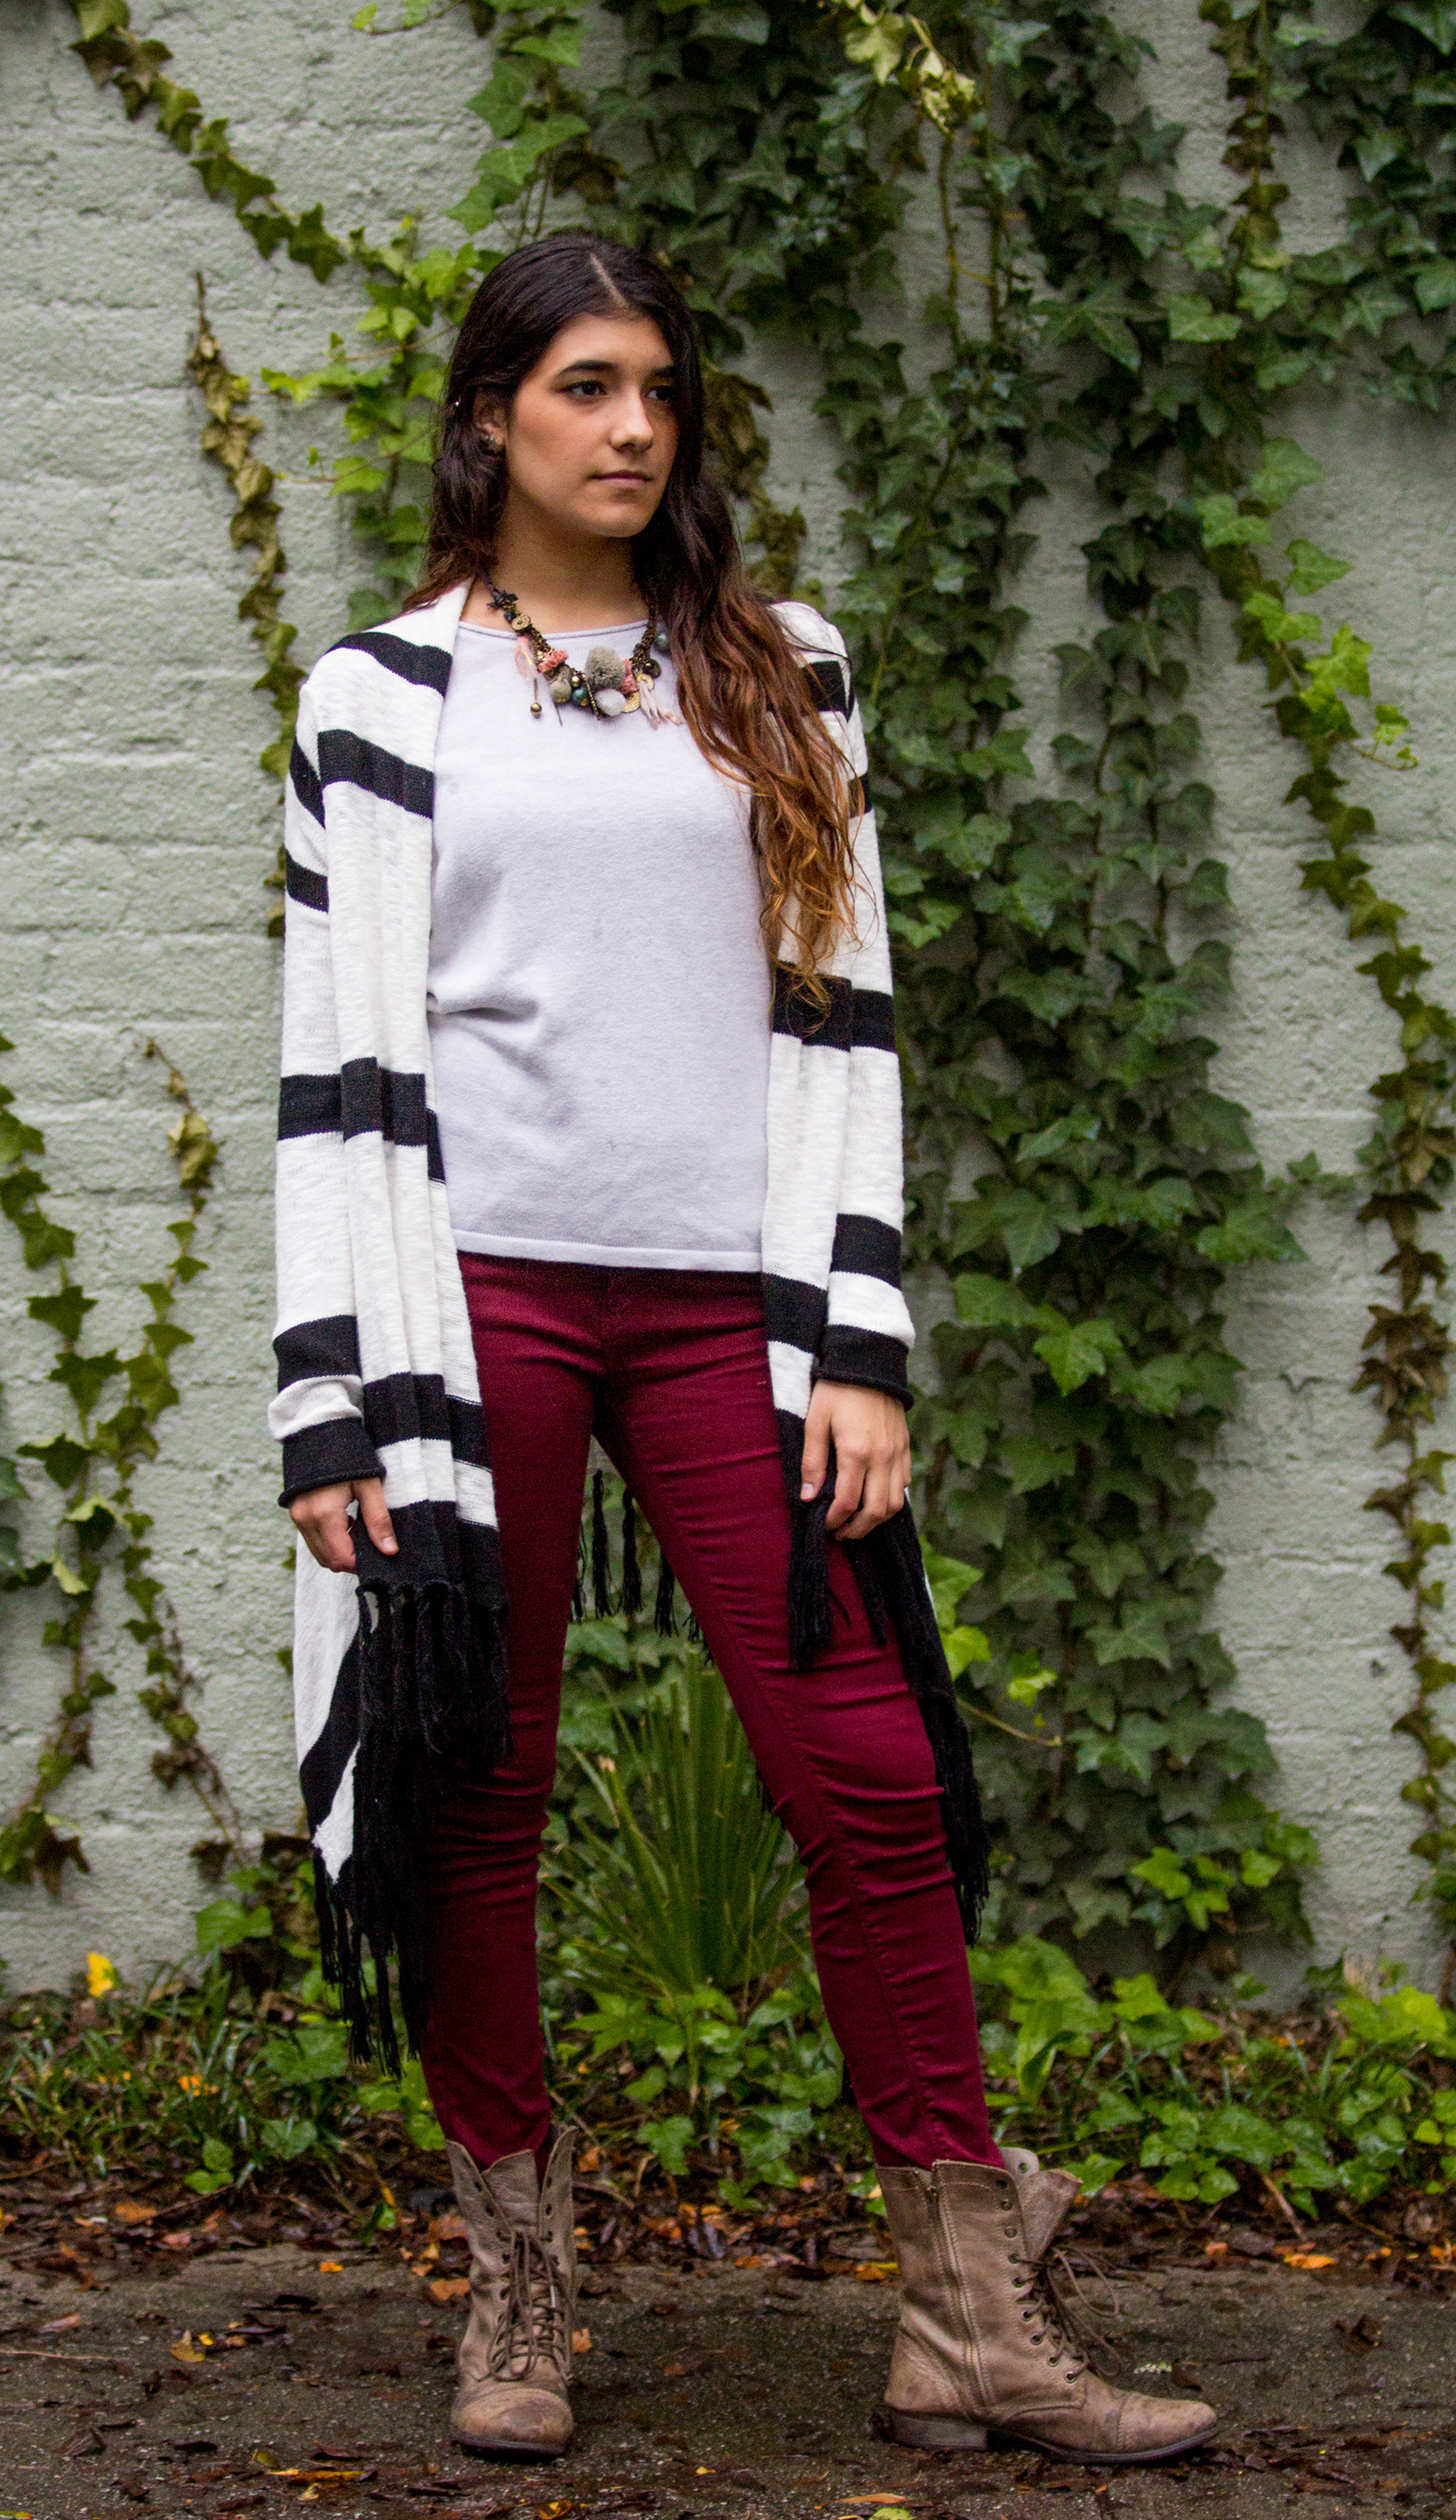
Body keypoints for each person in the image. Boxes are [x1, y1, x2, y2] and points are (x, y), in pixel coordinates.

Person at [268, 231, 1214, 2470]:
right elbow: (329, 1061)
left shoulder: (783, 672)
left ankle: (967, 2315)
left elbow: (848, 1016)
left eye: (661, 391)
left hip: (735, 1310)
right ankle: (517, 2282)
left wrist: (860, 1338)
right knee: (479, 1784)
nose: (632, 428)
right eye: (585, 386)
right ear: (490, 415)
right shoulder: (378, 697)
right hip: (473, 1293)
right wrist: (332, 1398)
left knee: (866, 1771)